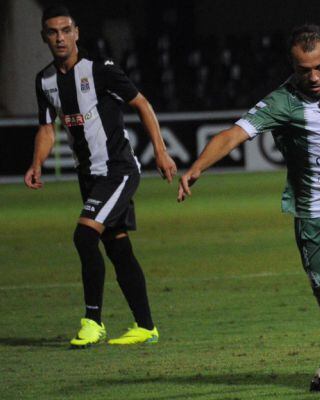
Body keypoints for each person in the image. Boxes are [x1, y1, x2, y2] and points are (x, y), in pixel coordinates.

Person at [177, 24, 320, 392]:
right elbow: (232, 134)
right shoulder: (282, 103)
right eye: (303, 69)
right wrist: (196, 168)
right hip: (313, 216)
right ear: (292, 67)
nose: (313, 77)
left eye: (319, 67)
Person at [26, 5, 177, 347]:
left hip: (118, 171)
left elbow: (142, 104)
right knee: (118, 248)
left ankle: (92, 321)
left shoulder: (100, 71)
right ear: (44, 37)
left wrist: (162, 151)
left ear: (77, 33)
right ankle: (146, 327)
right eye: (53, 32)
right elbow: (47, 128)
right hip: (89, 176)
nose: (60, 37)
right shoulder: (45, 80)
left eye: (66, 30)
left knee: (84, 236)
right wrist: (37, 163)